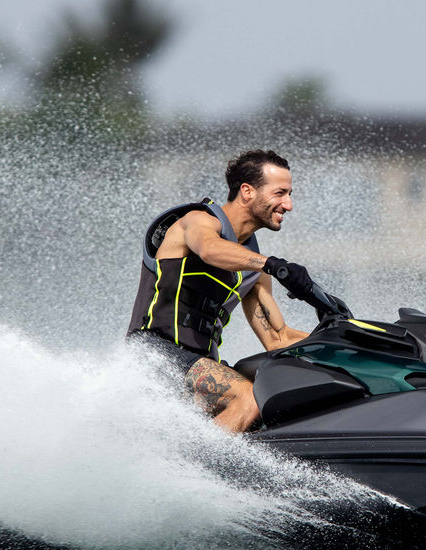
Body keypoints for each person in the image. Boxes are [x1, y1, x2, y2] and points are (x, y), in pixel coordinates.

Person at [126, 149, 322, 433]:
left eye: (290, 194)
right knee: (247, 398)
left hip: (197, 365)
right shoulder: (197, 221)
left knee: (272, 396)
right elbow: (209, 249)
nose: (288, 205)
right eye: (280, 193)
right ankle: (195, 463)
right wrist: (272, 265)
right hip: (153, 352)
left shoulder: (253, 268)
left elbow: (278, 338)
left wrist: (345, 335)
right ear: (247, 191)